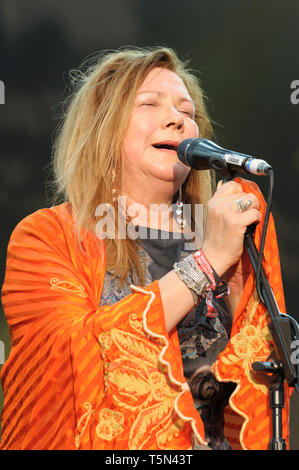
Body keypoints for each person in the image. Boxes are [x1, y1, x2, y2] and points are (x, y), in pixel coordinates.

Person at [0, 46, 290, 450]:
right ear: (104, 128)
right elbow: (67, 363)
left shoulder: (231, 231)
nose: (176, 119)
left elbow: (259, 388)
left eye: (187, 112)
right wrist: (206, 266)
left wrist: (237, 269)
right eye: (150, 104)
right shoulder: (46, 237)